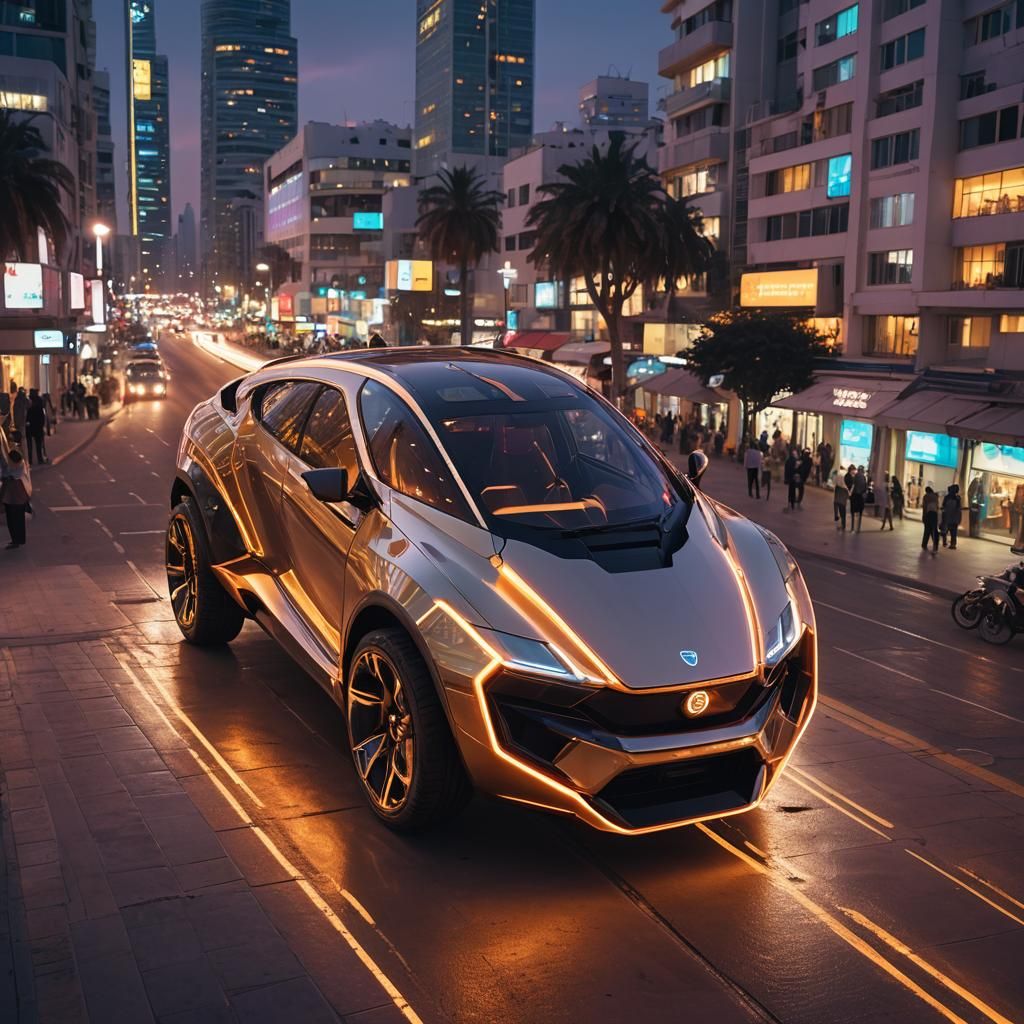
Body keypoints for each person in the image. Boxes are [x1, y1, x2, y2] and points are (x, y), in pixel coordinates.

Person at [1, 449, 31, 549]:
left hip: (15, 496)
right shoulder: (15, 465)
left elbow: (10, 476)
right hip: (14, 496)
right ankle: (17, 539)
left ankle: (17, 540)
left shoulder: (17, 468)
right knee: (14, 518)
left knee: (15, 519)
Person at [24, 392, 47, 466]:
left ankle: (30, 460)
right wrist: (41, 426)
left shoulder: (30, 409)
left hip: (30, 429)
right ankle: (40, 459)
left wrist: (28, 425)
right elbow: (42, 419)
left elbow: (27, 419)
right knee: (39, 445)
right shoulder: (39, 408)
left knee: (30, 446)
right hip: (38, 429)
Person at [941, 483, 963, 549]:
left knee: (945, 530)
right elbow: (958, 508)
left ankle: (945, 542)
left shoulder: (947, 498)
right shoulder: (957, 498)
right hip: (954, 517)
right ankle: (953, 544)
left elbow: (943, 506)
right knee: (953, 532)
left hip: (947, 516)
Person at [921, 485, 940, 552]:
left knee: (927, 529)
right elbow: (937, 506)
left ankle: (924, 543)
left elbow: (924, 507)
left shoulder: (926, 497)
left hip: (928, 514)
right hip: (934, 514)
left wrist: (923, 516)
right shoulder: (935, 496)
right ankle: (935, 544)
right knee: (934, 529)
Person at [850, 466, 868, 532]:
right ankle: (858, 528)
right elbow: (865, 488)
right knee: (860, 513)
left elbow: (853, 486)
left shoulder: (855, 476)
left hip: (854, 496)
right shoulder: (863, 477)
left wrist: (850, 494)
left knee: (853, 513)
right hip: (860, 497)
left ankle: (852, 528)